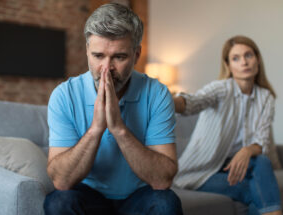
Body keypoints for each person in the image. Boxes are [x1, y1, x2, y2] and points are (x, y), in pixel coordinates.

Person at [43, 3, 183, 215]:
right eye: (98, 56)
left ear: (136, 55)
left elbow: (163, 180)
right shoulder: (64, 95)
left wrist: (118, 128)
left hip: (139, 196)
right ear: (87, 51)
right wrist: (96, 129)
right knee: (59, 202)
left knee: (166, 202)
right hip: (88, 195)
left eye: (119, 57)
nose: (106, 69)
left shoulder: (157, 94)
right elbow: (62, 181)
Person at [173, 35, 282, 215]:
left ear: (258, 59)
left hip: (239, 166)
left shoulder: (266, 97)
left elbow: (261, 141)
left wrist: (246, 151)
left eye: (248, 55)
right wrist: (166, 99)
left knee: (261, 161)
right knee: (256, 193)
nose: (244, 62)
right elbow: (193, 102)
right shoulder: (221, 89)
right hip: (203, 172)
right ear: (228, 65)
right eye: (236, 58)